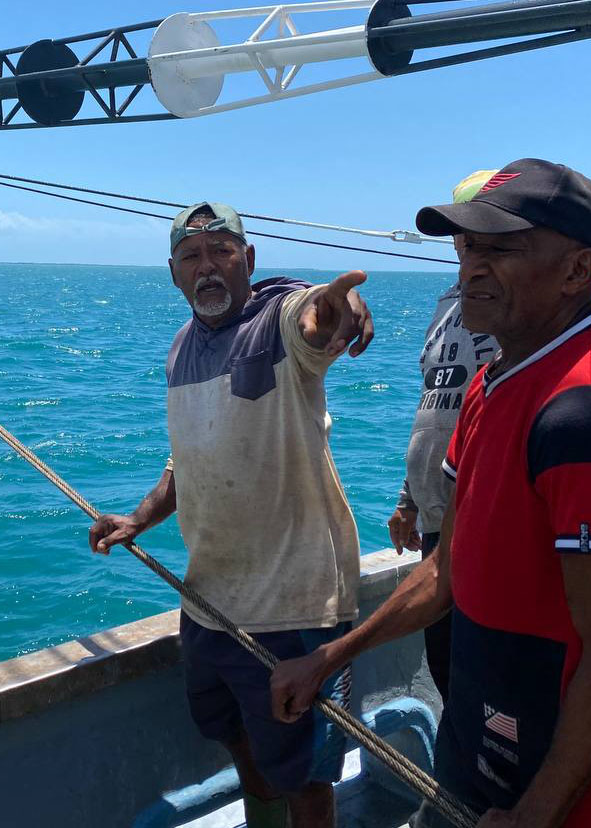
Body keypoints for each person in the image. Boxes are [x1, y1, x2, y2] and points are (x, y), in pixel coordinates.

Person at [270, 159, 591, 827]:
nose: (471, 270)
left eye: (501, 250)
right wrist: (331, 657)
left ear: (578, 271)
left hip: (575, 795)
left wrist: (533, 815)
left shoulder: (583, 414)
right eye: (468, 249)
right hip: (484, 753)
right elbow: (445, 570)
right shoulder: (492, 386)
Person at [88, 202, 374, 828]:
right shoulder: (181, 349)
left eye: (222, 250)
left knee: (307, 774)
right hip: (210, 603)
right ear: (173, 274)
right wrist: (138, 519)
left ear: (249, 261)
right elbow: (190, 461)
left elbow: (317, 320)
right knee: (235, 739)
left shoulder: (275, 319)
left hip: (294, 609)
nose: (207, 266)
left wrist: (337, 309)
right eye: (191, 256)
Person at [389, 170, 501, 702]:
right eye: (461, 237)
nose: (467, 248)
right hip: (437, 523)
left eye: (481, 235)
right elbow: (432, 403)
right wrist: (408, 500)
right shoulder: (445, 306)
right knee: (450, 678)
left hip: (485, 531)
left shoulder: (514, 306)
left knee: (488, 691)